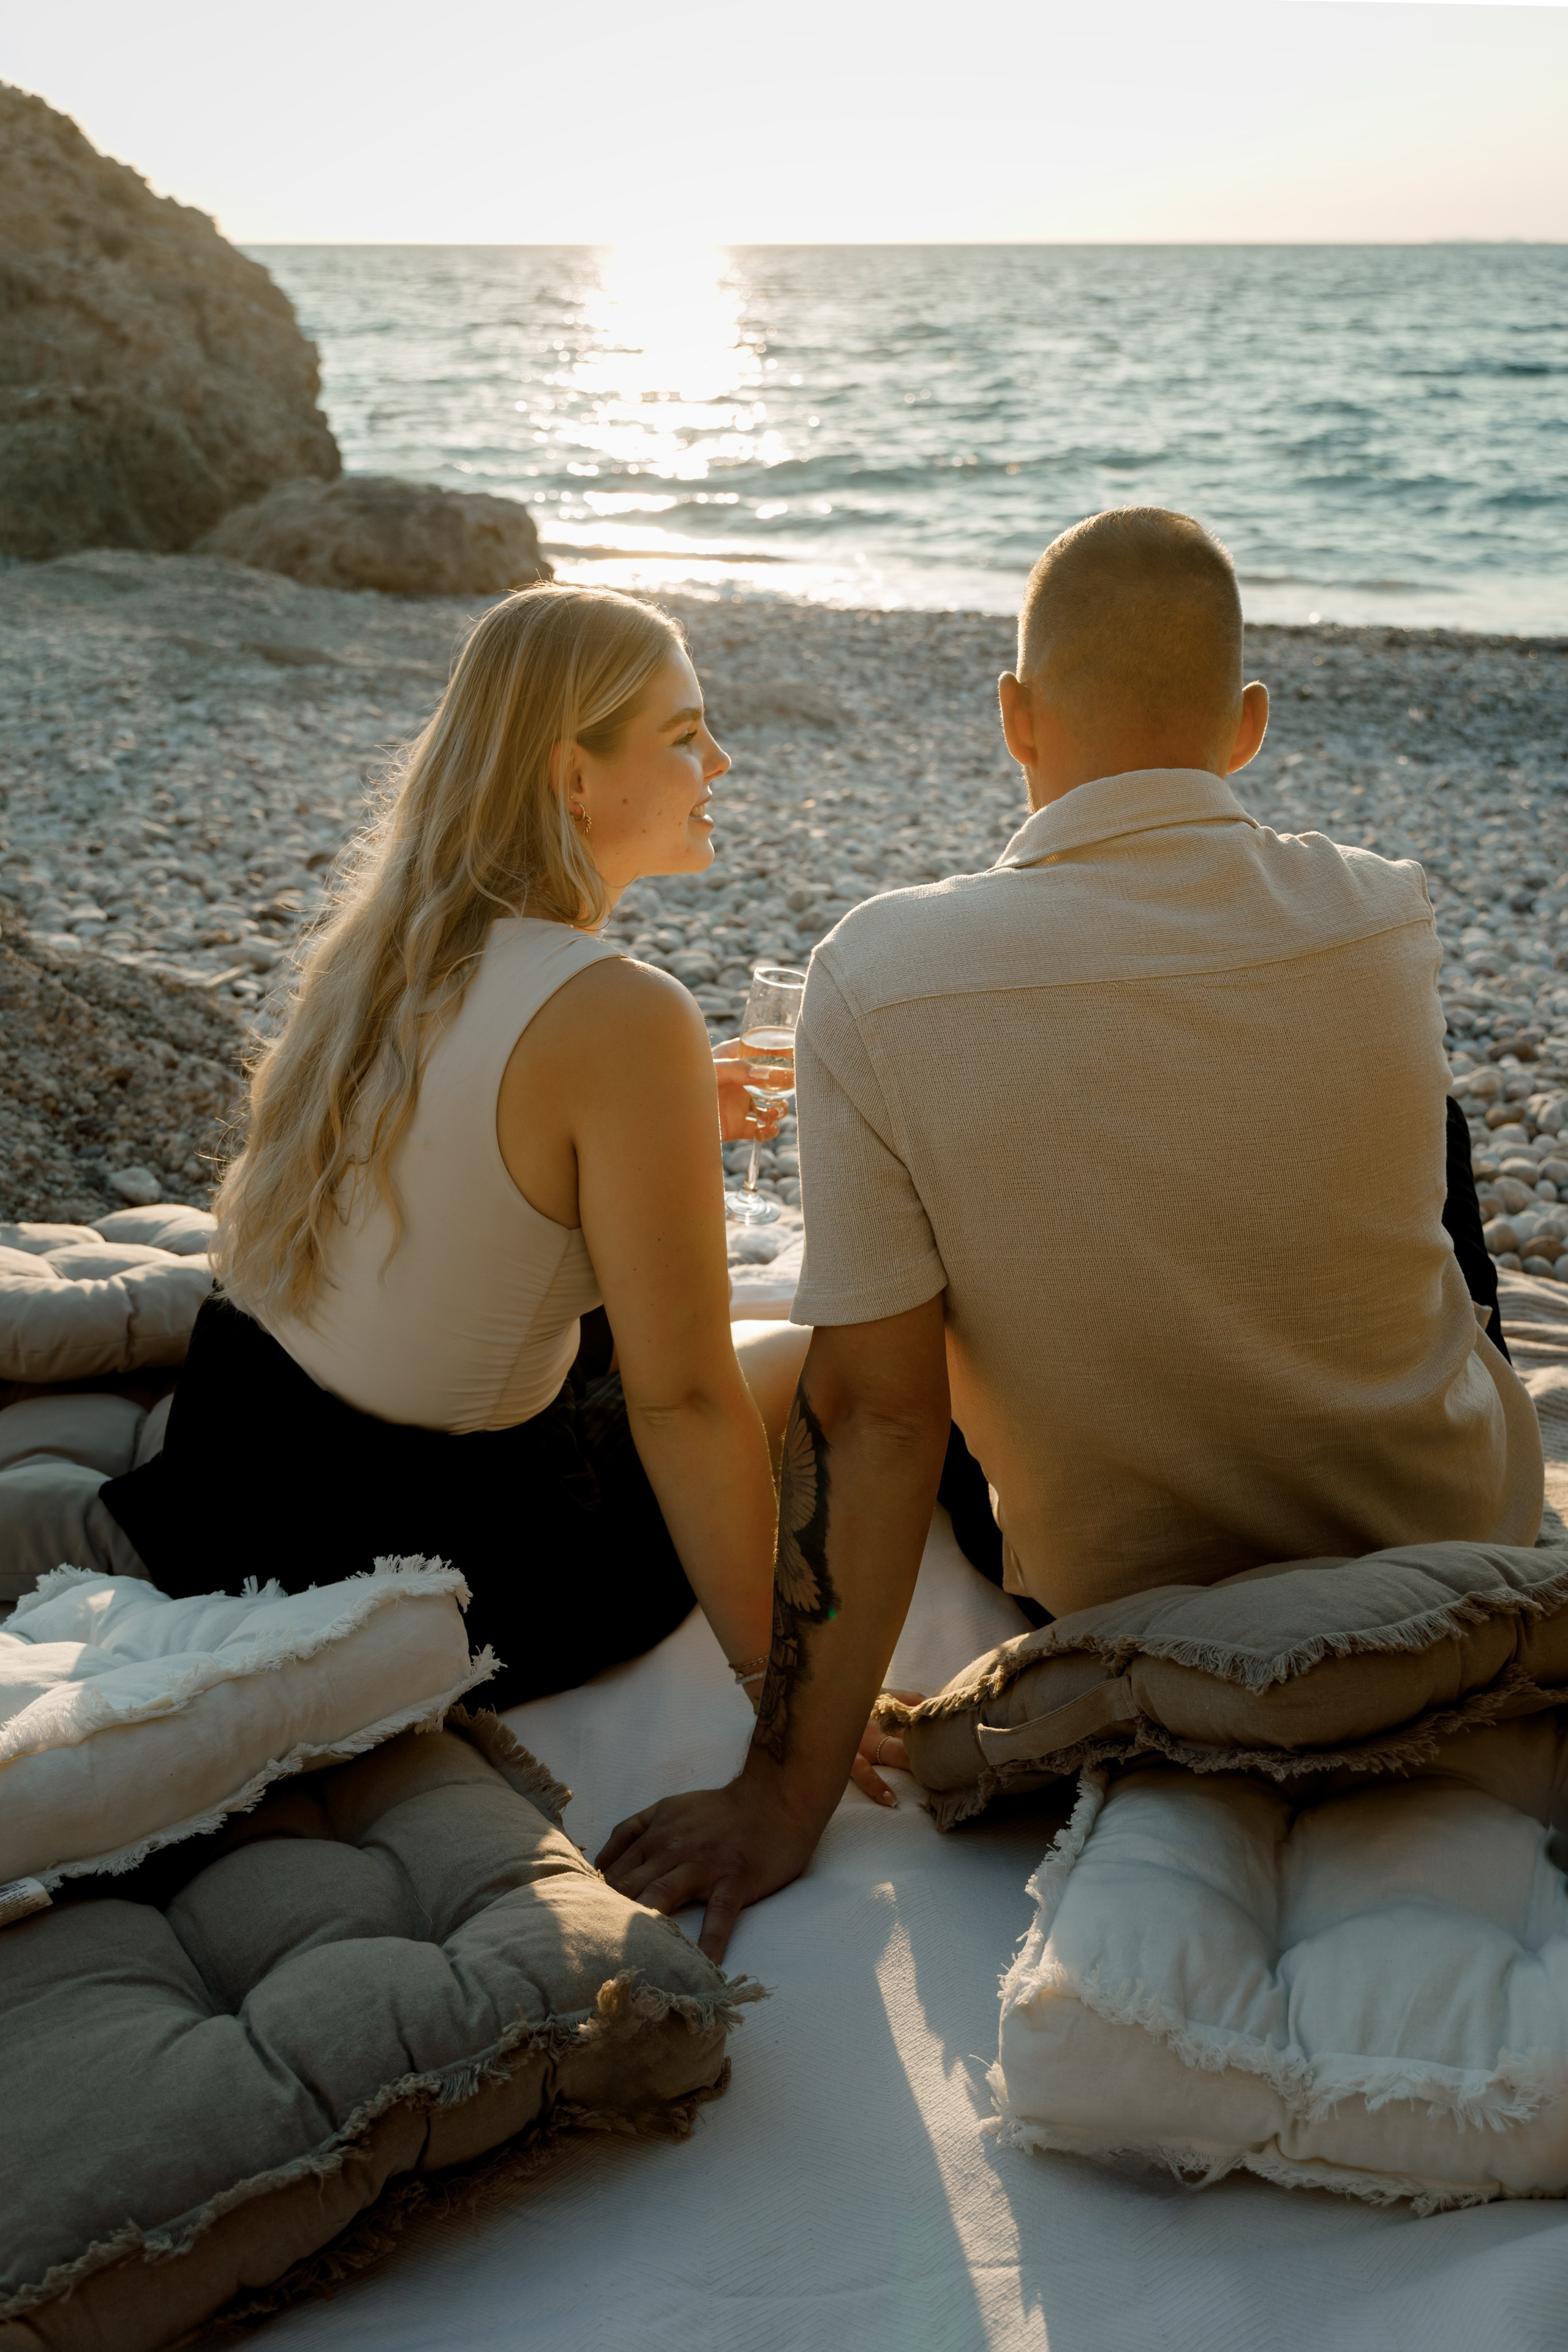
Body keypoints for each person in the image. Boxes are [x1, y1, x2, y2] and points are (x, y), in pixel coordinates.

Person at [598, 505, 1545, 1956]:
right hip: (1444, 1533)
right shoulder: (1380, 913)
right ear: (1244, 727)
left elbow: (881, 1423)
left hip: (1126, 1587)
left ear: (1012, 720)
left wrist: (783, 1796)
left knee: (803, 1365)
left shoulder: (881, 973)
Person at [89, 583, 891, 1782]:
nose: (718, 761)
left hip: (242, 1466)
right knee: (806, 1361)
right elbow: (683, 1407)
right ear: (574, 777)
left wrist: (673, 1121)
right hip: (432, 1550)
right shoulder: (620, 1013)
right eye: (683, 735)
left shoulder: (392, 943)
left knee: (644, 1306)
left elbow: (470, 1147)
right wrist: (786, 1697)